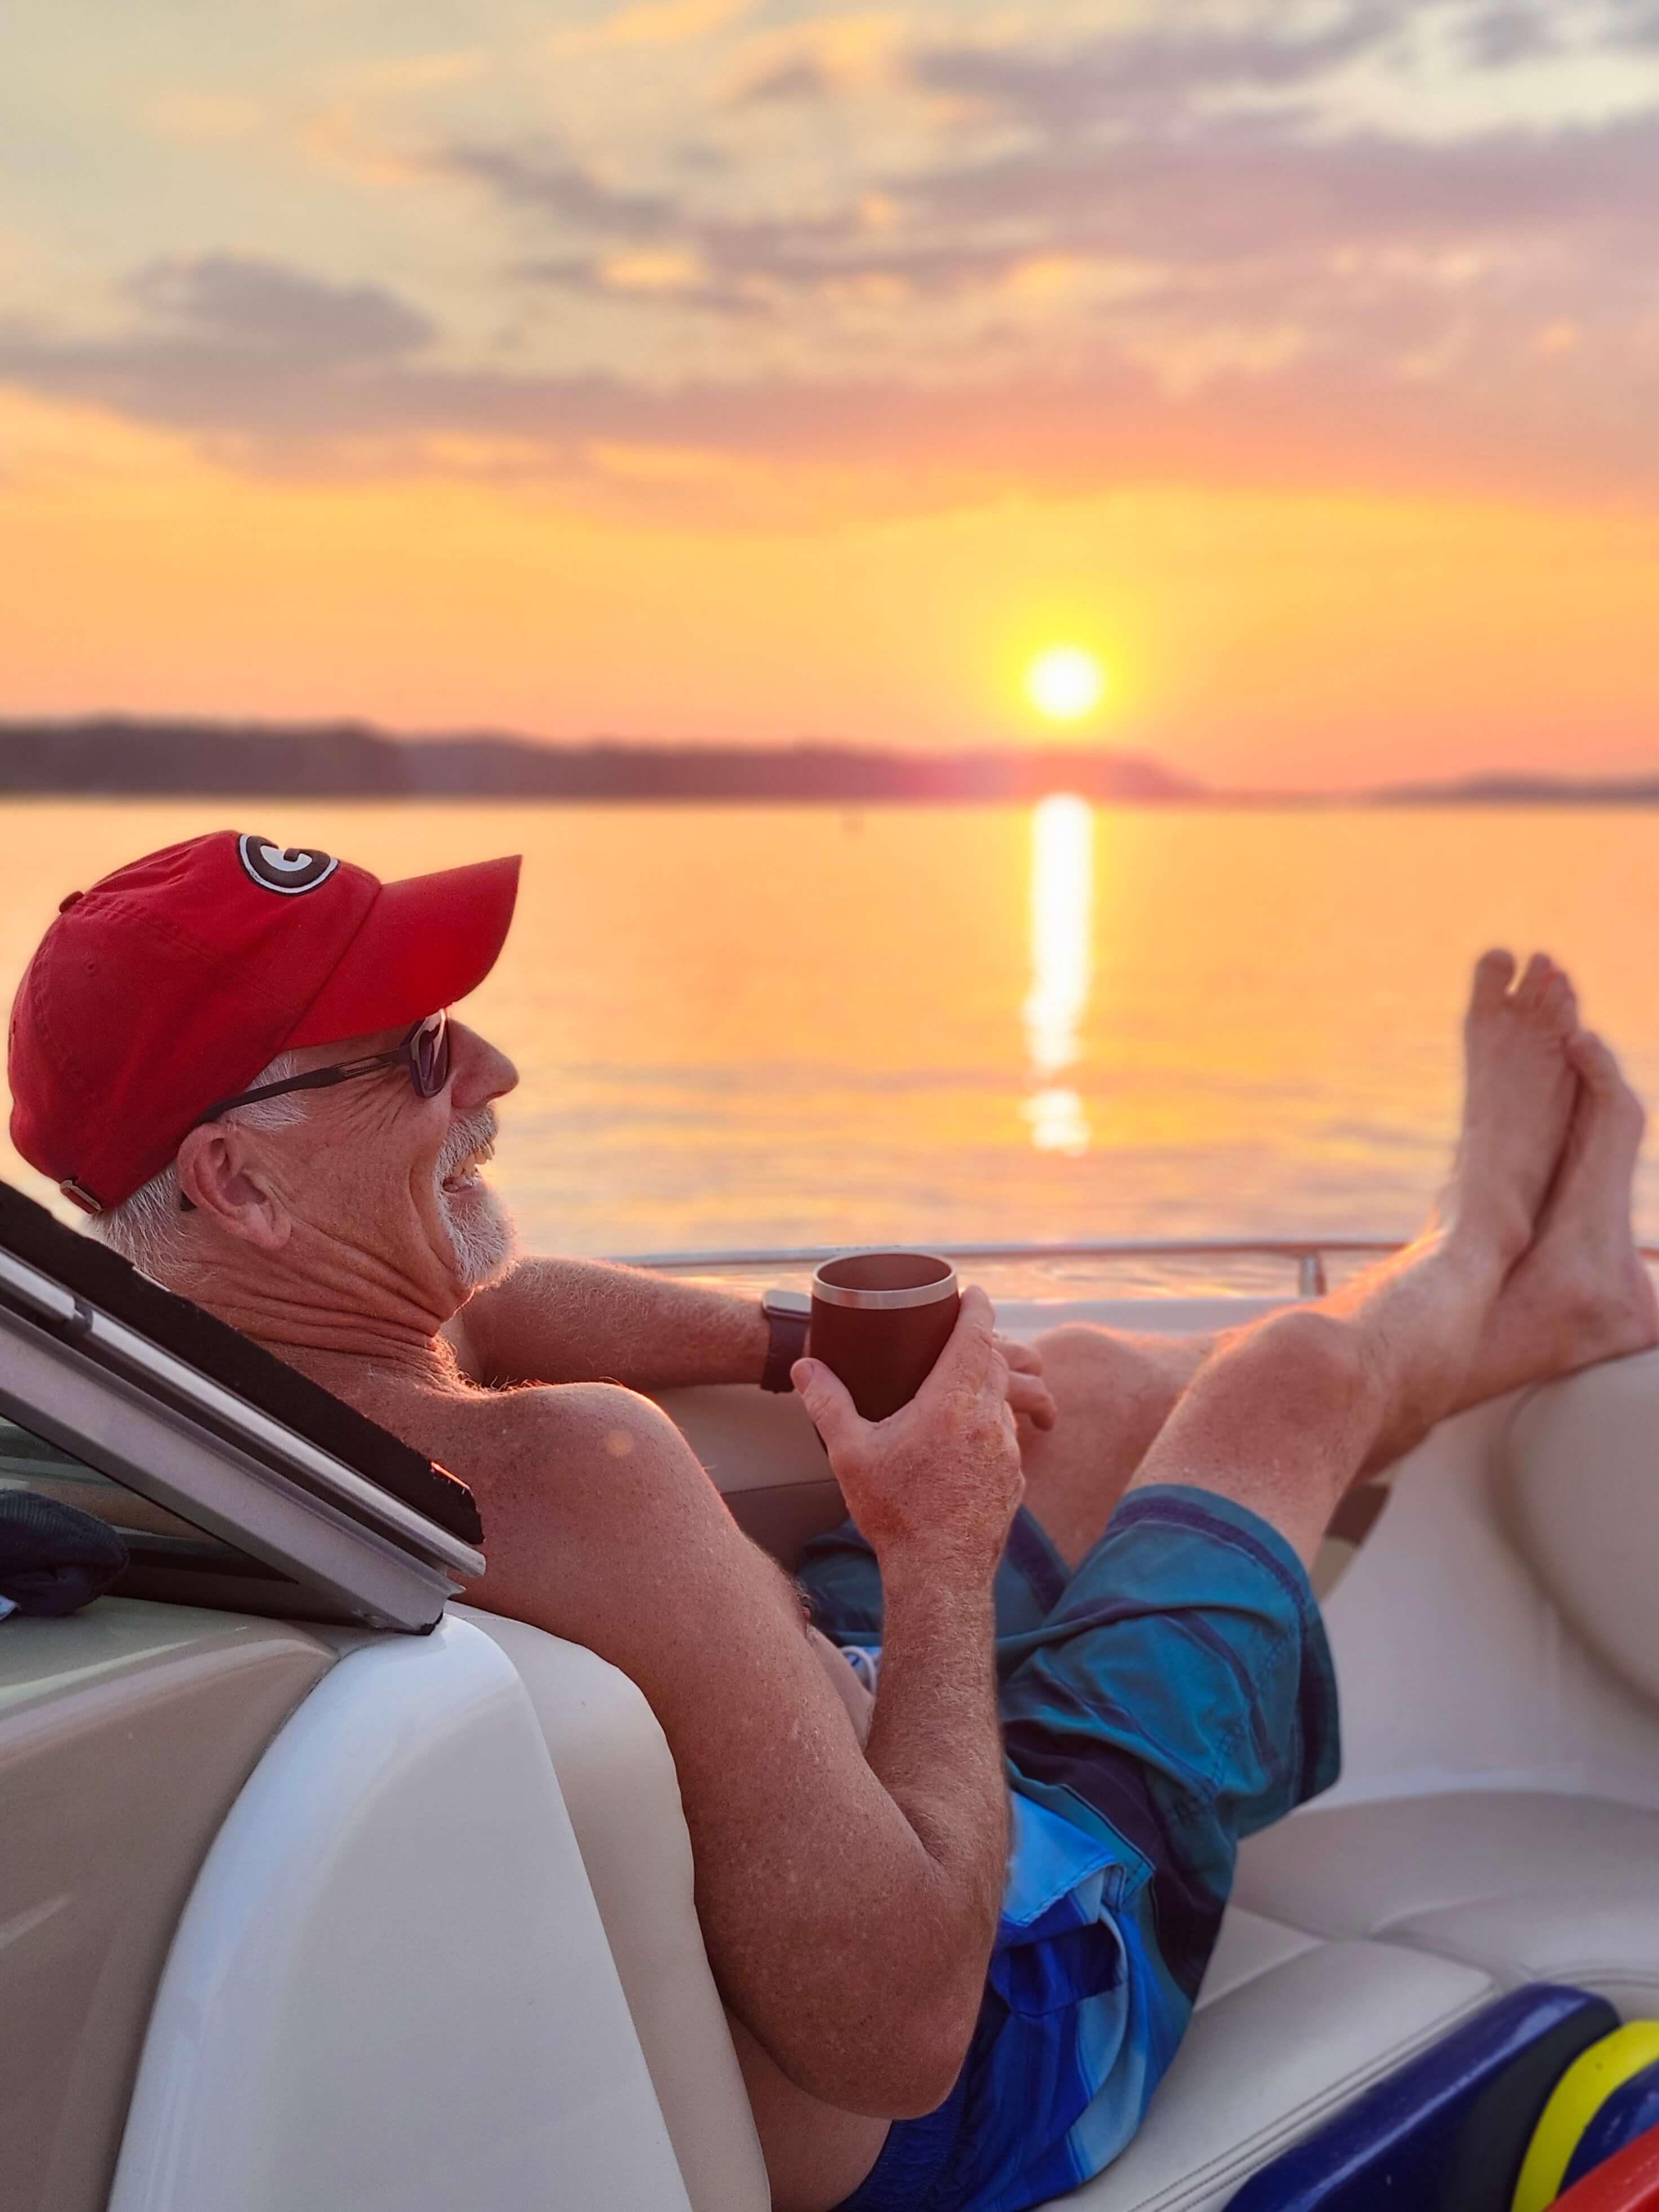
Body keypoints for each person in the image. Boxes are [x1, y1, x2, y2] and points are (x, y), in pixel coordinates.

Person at [8, 829, 1656, 2212]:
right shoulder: (583, 1477)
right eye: (426, 1051)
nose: (495, 1067)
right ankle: (1480, 1245)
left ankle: (1534, 1312)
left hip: (854, 1775)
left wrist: (777, 1339)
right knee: (1284, 1384)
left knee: (1067, 1373)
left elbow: (504, 1310)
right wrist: (945, 1542)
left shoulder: (183, 1413)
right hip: (1009, 2025)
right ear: (240, 1183)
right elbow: (905, 2034)